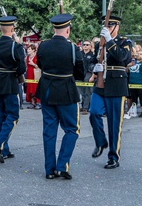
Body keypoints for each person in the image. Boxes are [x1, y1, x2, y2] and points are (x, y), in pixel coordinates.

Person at [35, 14, 86, 180]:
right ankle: (62, 166)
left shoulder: (43, 46)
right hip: (66, 92)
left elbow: (41, 65)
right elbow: (80, 73)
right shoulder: (73, 49)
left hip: (47, 91)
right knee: (72, 129)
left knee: (49, 131)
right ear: (68, 30)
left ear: (53, 29)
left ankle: (49, 169)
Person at [89, 15, 132, 169]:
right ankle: (101, 142)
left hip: (116, 85)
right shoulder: (98, 44)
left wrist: (109, 41)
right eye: (105, 25)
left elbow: (122, 57)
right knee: (94, 112)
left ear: (117, 27)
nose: (107, 28)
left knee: (114, 123)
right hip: (100, 83)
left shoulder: (125, 42)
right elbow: (92, 61)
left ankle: (113, 156)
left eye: (110, 26)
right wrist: (93, 68)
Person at [0, 15, 27, 163]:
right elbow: (21, 67)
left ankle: (4, 148)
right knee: (12, 116)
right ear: (12, 28)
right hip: (10, 82)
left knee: (1, 116)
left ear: (0, 28)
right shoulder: (15, 46)